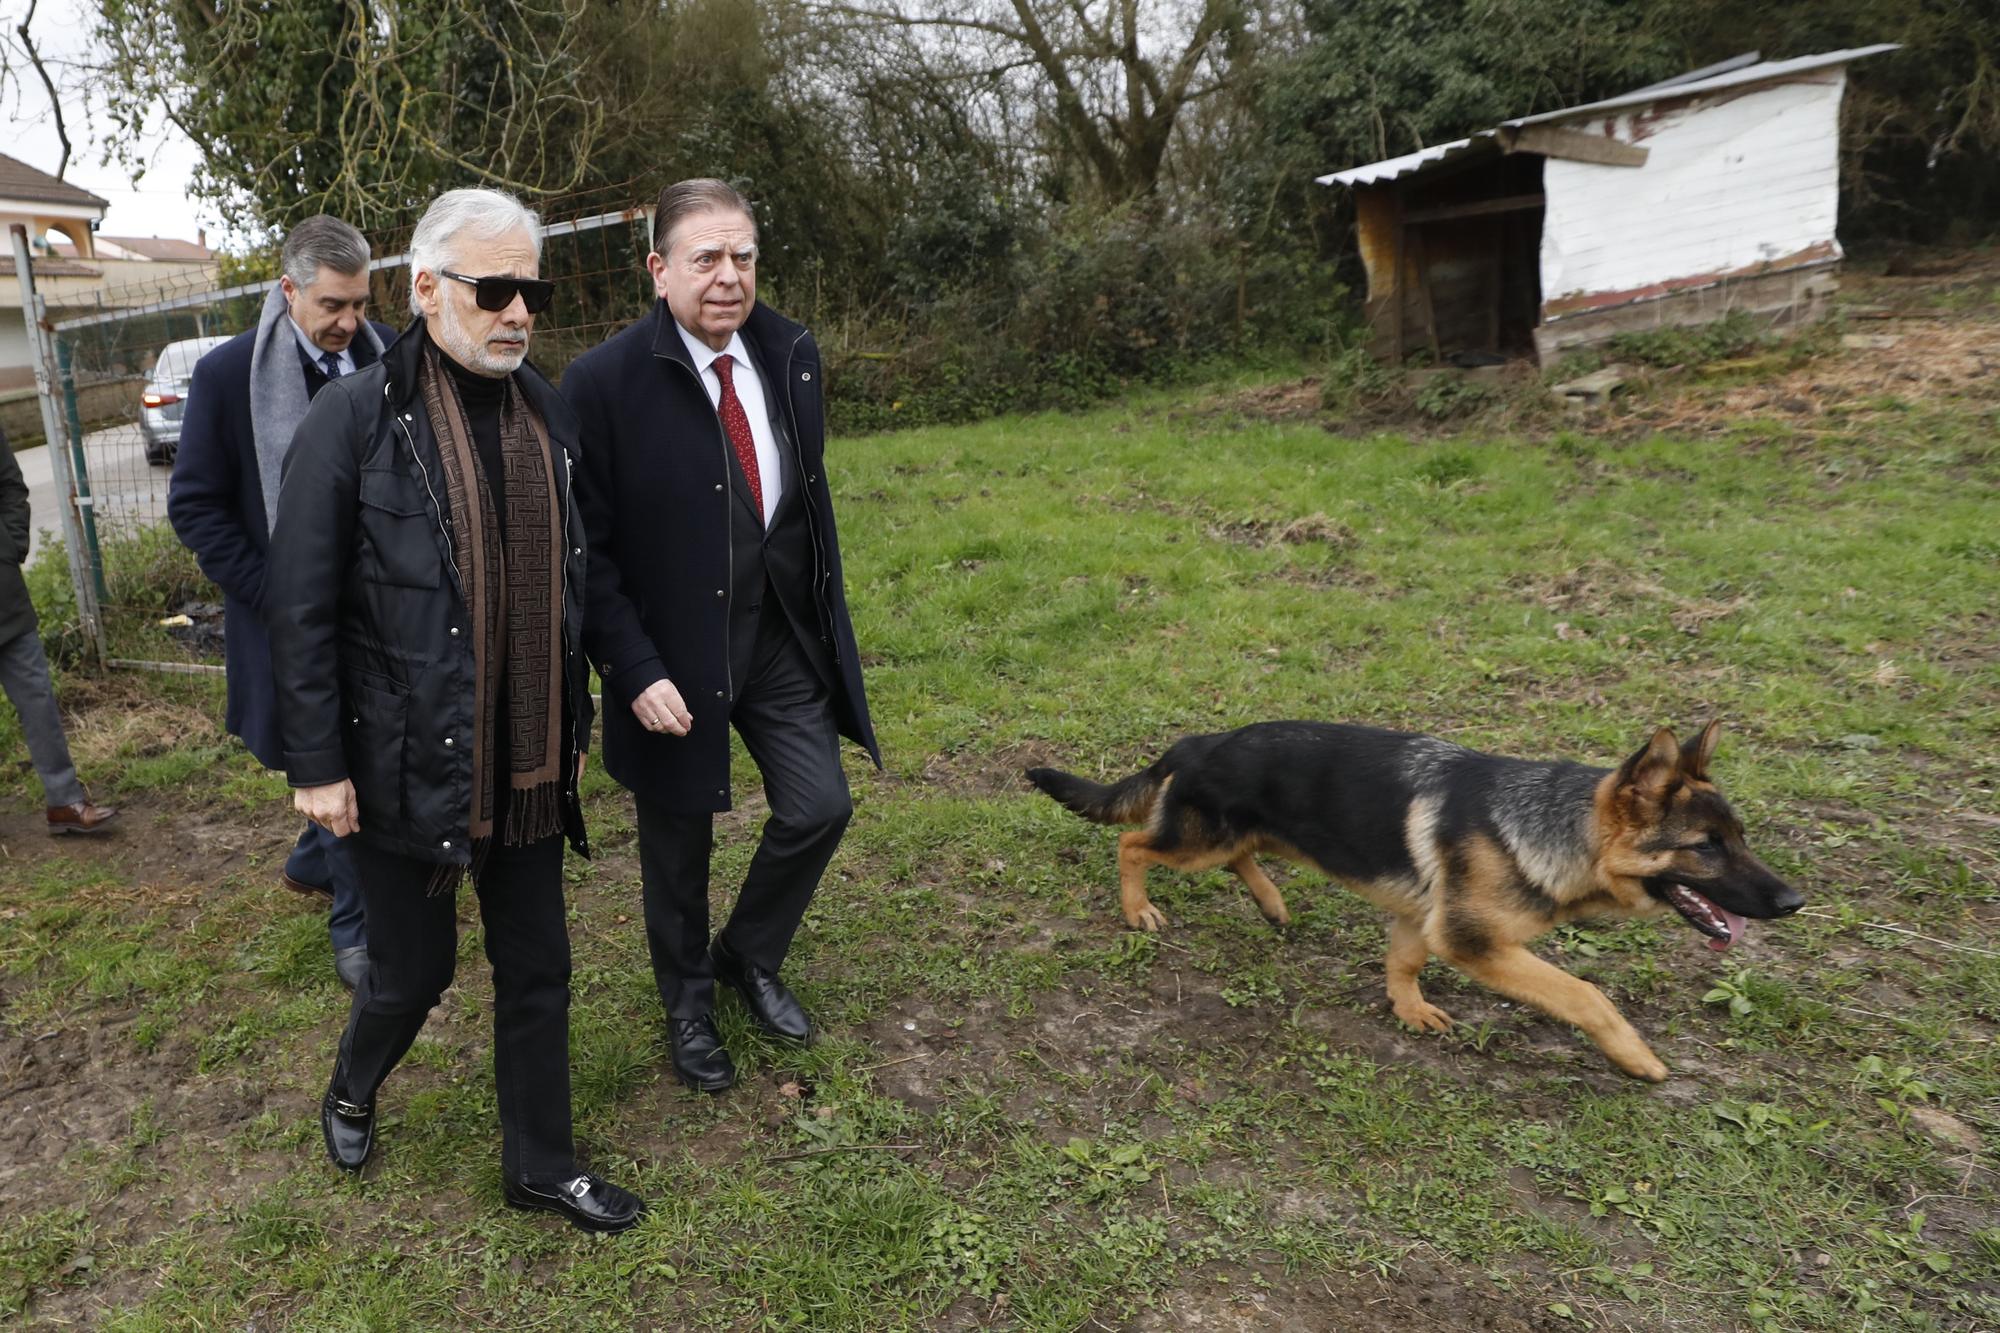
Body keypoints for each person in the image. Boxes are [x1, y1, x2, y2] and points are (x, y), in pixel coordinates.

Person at [264, 187, 643, 1232]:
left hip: (523, 757)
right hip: (401, 758)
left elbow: (578, 569)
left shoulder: (547, 410)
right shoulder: (354, 418)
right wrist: (316, 763)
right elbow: (298, 604)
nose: (518, 310)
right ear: (426, 289)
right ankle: (352, 1081)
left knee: (540, 967)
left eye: (532, 288)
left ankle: (541, 1164)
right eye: (495, 289)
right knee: (413, 973)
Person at [564, 178, 879, 1093]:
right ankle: (689, 1006)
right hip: (670, 657)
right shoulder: (601, 384)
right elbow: (589, 552)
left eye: (742, 255)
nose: (729, 275)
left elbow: (798, 505)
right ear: (659, 269)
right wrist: (629, 666)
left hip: (778, 635)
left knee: (821, 806)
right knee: (678, 849)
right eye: (706, 258)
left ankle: (748, 952)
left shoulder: (789, 354)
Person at [169, 215, 393, 991]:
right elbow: (195, 507)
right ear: (288, 289)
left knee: (363, 751)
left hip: (384, 613)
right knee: (327, 756)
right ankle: (355, 926)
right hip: (284, 623)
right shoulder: (230, 375)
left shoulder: (387, 354)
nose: (349, 323)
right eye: (332, 304)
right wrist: (280, 598)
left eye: (360, 302)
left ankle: (309, 858)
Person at [0, 426, 116, 834]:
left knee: (39, 701)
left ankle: (64, 801)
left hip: (4, 599)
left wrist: (9, 546)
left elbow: (11, 487)